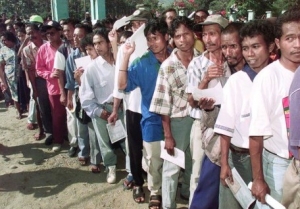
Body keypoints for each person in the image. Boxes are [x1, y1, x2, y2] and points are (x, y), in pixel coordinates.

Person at [214, 20, 275, 209]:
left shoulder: (277, 76)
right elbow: (226, 126)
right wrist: (224, 163)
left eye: (256, 47)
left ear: (271, 46)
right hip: (240, 157)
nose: (250, 54)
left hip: (268, 157)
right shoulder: (237, 81)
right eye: (246, 48)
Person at [248, 8, 300, 207]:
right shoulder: (268, 78)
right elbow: (256, 134)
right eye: (290, 38)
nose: (297, 44)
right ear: (278, 43)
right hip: (279, 163)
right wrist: (258, 178)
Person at [118, 18, 170, 207]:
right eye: (148, 39)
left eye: (155, 38)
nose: (151, 43)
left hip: (177, 120)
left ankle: (173, 188)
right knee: (153, 159)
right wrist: (125, 56)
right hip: (151, 120)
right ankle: (155, 191)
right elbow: (123, 85)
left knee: (175, 159)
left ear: (166, 36)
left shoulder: (178, 58)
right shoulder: (141, 63)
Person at [150, 16, 198, 209]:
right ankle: (168, 205)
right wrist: (168, 135)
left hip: (198, 121)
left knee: (193, 164)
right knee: (171, 167)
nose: (182, 39)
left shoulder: (201, 60)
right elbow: (163, 104)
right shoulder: (168, 66)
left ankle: (187, 193)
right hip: (177, 123)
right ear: (172, 39)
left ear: (194, 35)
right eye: (178, 36)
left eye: (186, 34)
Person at [188, 14, 229, 209]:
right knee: (199, 175)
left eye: (213, 34)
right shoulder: (197, 64)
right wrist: (204, 80)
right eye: (204, 34)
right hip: (203, 125)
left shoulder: (233, 60)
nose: (208, 39)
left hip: (230, 128)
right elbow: (190, 100)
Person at [108, 9, 152, 190]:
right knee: (135, 148)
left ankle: (154, 183)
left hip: (154, 106)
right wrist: (114, 109)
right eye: (134, 24)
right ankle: (138, 183)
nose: (137, 27)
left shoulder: (157, 44)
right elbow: (118, 83)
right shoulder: (126, 47)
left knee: (154, 148)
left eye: (140, 23)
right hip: (133, 106)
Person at [80, 29, 126, 184]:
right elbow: (85, 96)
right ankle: (111, 167)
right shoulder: (92, 68)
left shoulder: (121, 61)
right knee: (105, 143)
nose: (97, 46)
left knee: (127, 141)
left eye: (100, 42)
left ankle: (133, 169)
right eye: (94, 44)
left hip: (122, 109)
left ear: (108, 42)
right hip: (102, 110)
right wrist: (99, 112)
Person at [64, 24, 93, 165]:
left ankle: (96, 155)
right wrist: (69, 98)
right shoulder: (72, 56)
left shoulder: (93, 53)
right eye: (74, 35)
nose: (75, 38)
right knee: (81, 126)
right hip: (79, 94)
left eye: (79, 36)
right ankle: (84, 152)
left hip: (95, 94)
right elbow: (70, 81)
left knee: (94, 127)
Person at [36, 21, 66, 152]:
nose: (49, 36)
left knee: (72, 116)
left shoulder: (67, 46)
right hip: (54, 88)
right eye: (46, 34)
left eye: (52, 33)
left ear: (60, 32)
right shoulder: (43, 49)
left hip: (70, 86)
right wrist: (49, 74)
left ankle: (71, 138)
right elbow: (38, 68)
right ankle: (58, 140)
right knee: (57, 115)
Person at [21, 23, 46, 140]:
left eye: (32, 32)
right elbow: (30, 71)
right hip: (37, 80)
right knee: (38, 105)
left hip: (51, 79)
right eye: (28, 33)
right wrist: (34, 89)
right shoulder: (27, 50)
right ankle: (42, 130)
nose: (31, 35)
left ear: (39, 32)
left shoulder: (48, 44)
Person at [0, 31, 22, 119]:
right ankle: (18, 111)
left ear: (10, 39)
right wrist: (2, 81)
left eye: (5, 40)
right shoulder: (2, 50)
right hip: (10, 76)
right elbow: (1, 66)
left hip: (22, 75)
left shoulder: (18, 46)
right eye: (2, 41)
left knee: (23, 92)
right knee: (14, 94)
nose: (4, 42)